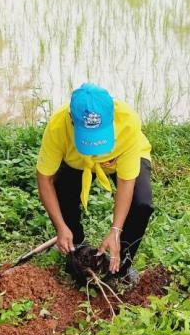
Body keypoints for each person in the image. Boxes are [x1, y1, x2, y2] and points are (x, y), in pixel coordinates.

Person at [36, 83, 153, 287]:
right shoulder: (57, 127)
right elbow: (44, 178)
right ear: (72, 119)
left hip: (119, 160)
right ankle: (75, 244)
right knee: (61, 187)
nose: (95, 149)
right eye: (88, 139)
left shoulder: (128, 123)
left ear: (112, 116)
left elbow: (126, 181)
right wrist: (60, 226)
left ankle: (121, 264)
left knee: (141, 204)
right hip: (77, 162)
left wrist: (116, 230)